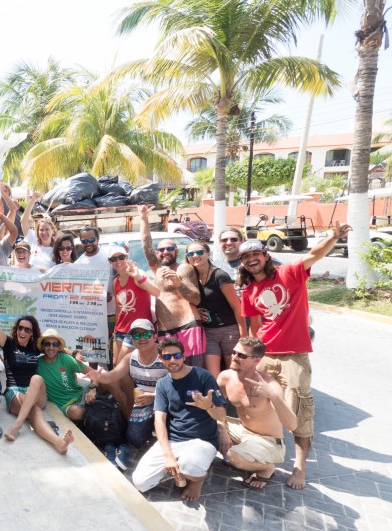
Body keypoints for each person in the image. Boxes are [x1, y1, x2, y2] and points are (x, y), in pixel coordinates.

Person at [238, 222, 351, 490]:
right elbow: (254, 327)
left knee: (300, 412)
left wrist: (333, 236)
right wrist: (251, 354)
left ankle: (300, 466)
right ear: (242, 263)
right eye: (245, 257)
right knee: (260, 408)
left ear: (265, 255)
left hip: (294, 356)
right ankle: (266, 462)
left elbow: (315, 255)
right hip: (264, 356)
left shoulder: (289, 273)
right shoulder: (249, 291)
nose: (251, 259)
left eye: (256, 254)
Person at [131, 338, 230, 502]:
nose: (173, 360)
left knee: (190, 467)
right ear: (161, 360)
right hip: (174, 440)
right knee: (140, 482)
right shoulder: (162, 384)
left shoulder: (203, 376)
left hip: (202, 440)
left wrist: (209, 407)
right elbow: (159, 420)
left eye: (177, 355)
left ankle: (197, 480)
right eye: (167, 357)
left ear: (183, 357)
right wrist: (167, 454)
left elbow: (222, 416)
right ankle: (176, 468)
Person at [0, 294, 74, 453]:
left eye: (27, 329)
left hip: (35, 392)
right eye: (20, 328)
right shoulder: (8, 344)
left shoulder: (36, 347)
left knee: (36, 378)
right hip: (14, 392)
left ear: (32, 333)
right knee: (35, 411)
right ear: (17, 329)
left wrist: (75, 353)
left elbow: (57, 346)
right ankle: (59, 443)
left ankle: (17, 425)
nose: (23, 331)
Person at [217, 337, 297, 489]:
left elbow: (292, 425)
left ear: (256, 360)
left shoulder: (269, 385)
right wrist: (221, 429)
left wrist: (272, 395)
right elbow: (217, 406)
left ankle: (266, 468)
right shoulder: (225, 377)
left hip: (269, 441)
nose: (234, 357)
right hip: (242, 431)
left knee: (233, 457)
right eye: (234, 352)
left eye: (242, 355)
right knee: (204, 422)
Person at [96, 319, 167, 470]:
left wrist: (153, 396)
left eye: (146, 334)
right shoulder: (131, 357)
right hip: (142, 403)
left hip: (164, 401)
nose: (141, 338)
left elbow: (177, 385)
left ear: (154, 337)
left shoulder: (165, 356)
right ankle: (145, 427)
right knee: (135, 438)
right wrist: (98, 376)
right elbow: (113, 375)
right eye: (136, 336)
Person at [139, 205, 204, 366]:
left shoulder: (184, 269)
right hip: (165, 332)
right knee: (172, 373)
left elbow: (196, 299)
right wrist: (144, 219)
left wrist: (178, 284)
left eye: (170, 248)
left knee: (192, 375)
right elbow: (147, 248)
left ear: (176, 251)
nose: (165, 252)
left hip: (187, 328)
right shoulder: (158, 271)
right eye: (161, 249)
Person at [186, 241, 245, 379]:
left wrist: (243, 336)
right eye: (191, 253)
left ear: (208, 254)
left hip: (229, 330)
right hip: (209, 333)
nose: (196, 256)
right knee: (214, 377)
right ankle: (218, 400)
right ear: (187, 257)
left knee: (234, 375)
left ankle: (234, 401)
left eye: (200, 252)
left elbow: (237, 306)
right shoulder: (191, 278)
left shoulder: (219, 276)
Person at [36, 329, 101, 424]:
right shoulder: (37, 364)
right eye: (47, 344)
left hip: (81, 394)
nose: (51, 347)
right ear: (42, 346)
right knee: (77, 413)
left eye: (55, 344)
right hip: (66, 404)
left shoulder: (66, 359)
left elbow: (94, 373)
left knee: (108, 382)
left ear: (59, 347)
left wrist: (92, 389)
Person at [109, 244, 154, 364]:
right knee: (115, 364)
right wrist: (114, 331)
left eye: (121, 257)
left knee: (122, 368)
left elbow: (157, 292)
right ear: (110, 262)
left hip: (137, 331)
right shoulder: (115, 282)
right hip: (120, 329)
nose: (118, 261)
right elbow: (119, 309)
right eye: (113, 259)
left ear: (127, 257)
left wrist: (139, 276)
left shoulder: (137, 274)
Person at [20, 193, 57, 270]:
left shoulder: (58, 248)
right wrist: (32, 202)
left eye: (47, 229)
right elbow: (23, 222)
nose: (44, 232)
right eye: (41, 230)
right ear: (37, 232)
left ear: (53, 231)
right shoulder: (33, 241)